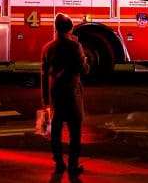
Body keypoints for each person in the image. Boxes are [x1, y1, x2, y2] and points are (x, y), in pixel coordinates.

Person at [40, 13, 90, 176]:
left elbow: (44, 74)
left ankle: (58, 161)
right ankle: (73, 163)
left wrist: (45, 99)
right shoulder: (75, 46)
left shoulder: (48, 47)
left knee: (56, 128)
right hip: (72, 93)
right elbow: (84, 70)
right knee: (75, 130)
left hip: (55, 94)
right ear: (70, 28)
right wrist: (86, 59)